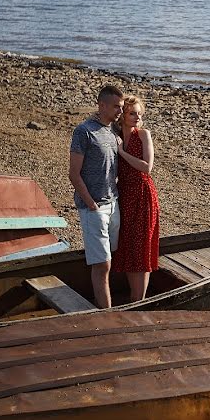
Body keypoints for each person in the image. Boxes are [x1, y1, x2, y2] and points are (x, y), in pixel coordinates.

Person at [68, 84, 124, 308]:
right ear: (102, 105)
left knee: (109, 256)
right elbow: (73, 173)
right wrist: (90, 203)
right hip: (94, 207)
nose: (119, 111)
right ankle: (106, 315)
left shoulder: (113, 131)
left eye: (121, 107)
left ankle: (104, 302)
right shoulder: (84, 132)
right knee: (102, 265)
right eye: (116, 107)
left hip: (113, 203)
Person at [114, 95, 160, 301]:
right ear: (122, 114)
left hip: (142, 194)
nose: (137, 117)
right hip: (123, 194)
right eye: (132, 113)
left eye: (140, 114)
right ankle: (135, 297)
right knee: (126, 242)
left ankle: (138, 299)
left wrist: (121, 152)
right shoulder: (113, 134)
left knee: (141, 244)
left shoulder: (143, 135)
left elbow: (146, 167)